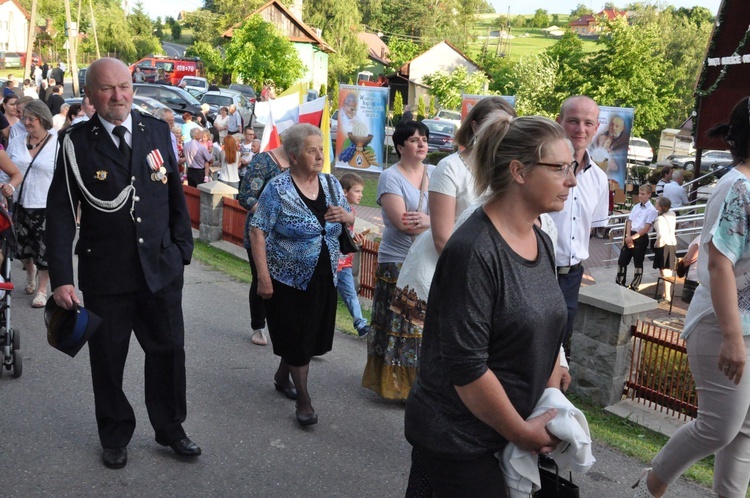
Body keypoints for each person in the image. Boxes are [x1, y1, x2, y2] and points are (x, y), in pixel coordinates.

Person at [404, 114, 575, 494]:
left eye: (573, 165)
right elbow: (467, 367)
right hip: (459, 441)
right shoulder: (474, 251)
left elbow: (547, 326)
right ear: (518, 171)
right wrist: (522, 431)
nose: (572, 179)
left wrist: (549, 407)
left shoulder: (540, 241)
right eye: (560, 167)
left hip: (510, 434)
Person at [45, 57, 199, 470]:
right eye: (109, 89)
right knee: (109, 359)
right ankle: (114, 434)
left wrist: (182, 249)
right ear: (91, 95)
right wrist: (61, 279)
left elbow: (173, 196)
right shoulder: (75, 143)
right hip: (106, 273)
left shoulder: (156, 130)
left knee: (168, 352)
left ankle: (171, 428)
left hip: (160, 269)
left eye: (125, 86)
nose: (119, 96)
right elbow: (60, 214)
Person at [631, 96, 750, 498]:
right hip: (724, 325)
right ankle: (651, 484)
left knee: (744, 429)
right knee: (718, 426)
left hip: (743, 323)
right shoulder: (738, 187)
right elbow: (718, 265)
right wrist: (733, 337)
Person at [373, 97, 517, 401]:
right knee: (422, 338)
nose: (505, 133)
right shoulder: (450, 167)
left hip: (480, 268)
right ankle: (420, 395)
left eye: (510, 126)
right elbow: (441, 237)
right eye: (497, 125)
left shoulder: (505, 171)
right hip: (443, 264)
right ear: (476, 126)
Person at [250, 123, 353, 426]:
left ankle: (283, 377)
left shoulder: (332, 184)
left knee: (310, 335)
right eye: (312, 150)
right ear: (293, 156)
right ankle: (304, 401)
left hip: (324, 275)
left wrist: (344, 216)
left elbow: (348, 215)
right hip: (287, 278)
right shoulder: (278, 189)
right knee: (298, 335)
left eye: (321, 149)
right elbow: (258, 232)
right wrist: (264, 278)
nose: (320, 155)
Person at [362, 120, 433, 400]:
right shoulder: (390, 177)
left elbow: (454, 216)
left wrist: (428, 220)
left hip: (428, 260)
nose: (422, 144)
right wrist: (439, 223)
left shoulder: (436, 173)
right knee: (400, 325)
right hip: (398, 262)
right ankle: (396, 386)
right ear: (401, 146)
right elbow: (403, 224)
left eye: (424, 139)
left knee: (422, 327)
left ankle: (419, 387)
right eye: (415, 140)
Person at [548, 96, 609, 356]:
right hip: (537, 268)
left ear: (596, 129)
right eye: (573, 121)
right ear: (559, 122)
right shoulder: (541, 169)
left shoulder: (599, 179)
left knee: (560, 343)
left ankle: (550, 394)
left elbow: (591, 231)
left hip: (572, 277)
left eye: (588, 123)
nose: (580, 129)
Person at [237, 135, 291, 346]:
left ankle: (289, 331)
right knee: (261, 277)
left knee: (288, 283)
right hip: (262, 233)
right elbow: (246, 196)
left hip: (289, 237)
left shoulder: (299, 163)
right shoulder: (263, 161)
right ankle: (258, 326)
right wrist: (272, 216)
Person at [6, 100, 57, 308]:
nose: (25, 122)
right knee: (22, 248)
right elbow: (5, 169)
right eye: (24, 117)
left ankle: (42, 290)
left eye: (30, 118)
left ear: (43, 119)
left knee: (43, 250)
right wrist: (5, 186)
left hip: (46, 204)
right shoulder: (17, 142)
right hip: (18, 204)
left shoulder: (57, 143)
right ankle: (30, 273)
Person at [335, 173, 370, 337]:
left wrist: (355, 238)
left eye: (361, 191)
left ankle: (361, 325)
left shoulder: (352, 211)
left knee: (350, 294)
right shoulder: (337, 210)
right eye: (357, 191)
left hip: (346, 263)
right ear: (344, 191)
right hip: (333, 263)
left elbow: (346, 235)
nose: (361, 195)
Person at [616, 185, 658, 290]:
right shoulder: (636, 207)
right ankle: (620, 282)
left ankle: (635, 285)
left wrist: (633, 238)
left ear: (649, 194)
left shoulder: (652, 210)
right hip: (630, 235)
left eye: (643, 194)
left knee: (638, 262)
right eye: (639, 193)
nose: (640, 196)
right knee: (622, 260)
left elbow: (646, 228)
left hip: (641, 237)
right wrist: (628, 236)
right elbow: (629, 222)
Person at [652, 196, 677, 302]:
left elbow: (661, 235)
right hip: (672, 243)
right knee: (667, 270)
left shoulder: (659, 219)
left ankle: (667, 296)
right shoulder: (672, 214)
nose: (655, 205)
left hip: (664, 245)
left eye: (656, 203)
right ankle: (665, 293)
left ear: (661, 207)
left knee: (664, 271)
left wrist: (657, 244)